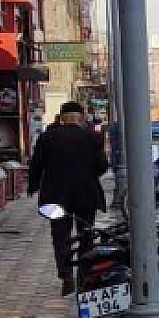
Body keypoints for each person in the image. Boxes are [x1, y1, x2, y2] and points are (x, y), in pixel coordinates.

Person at [29, 101, 109, 296]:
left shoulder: (47, 137)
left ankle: (66, 276)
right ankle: (84, 276)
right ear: (80, 117)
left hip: (56, 198)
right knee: (86, 235)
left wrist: (33, 186)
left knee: (60, 237)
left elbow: (36, 165)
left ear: (62, 117)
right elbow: (102, 166)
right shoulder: (92, 137)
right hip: (86, 196)